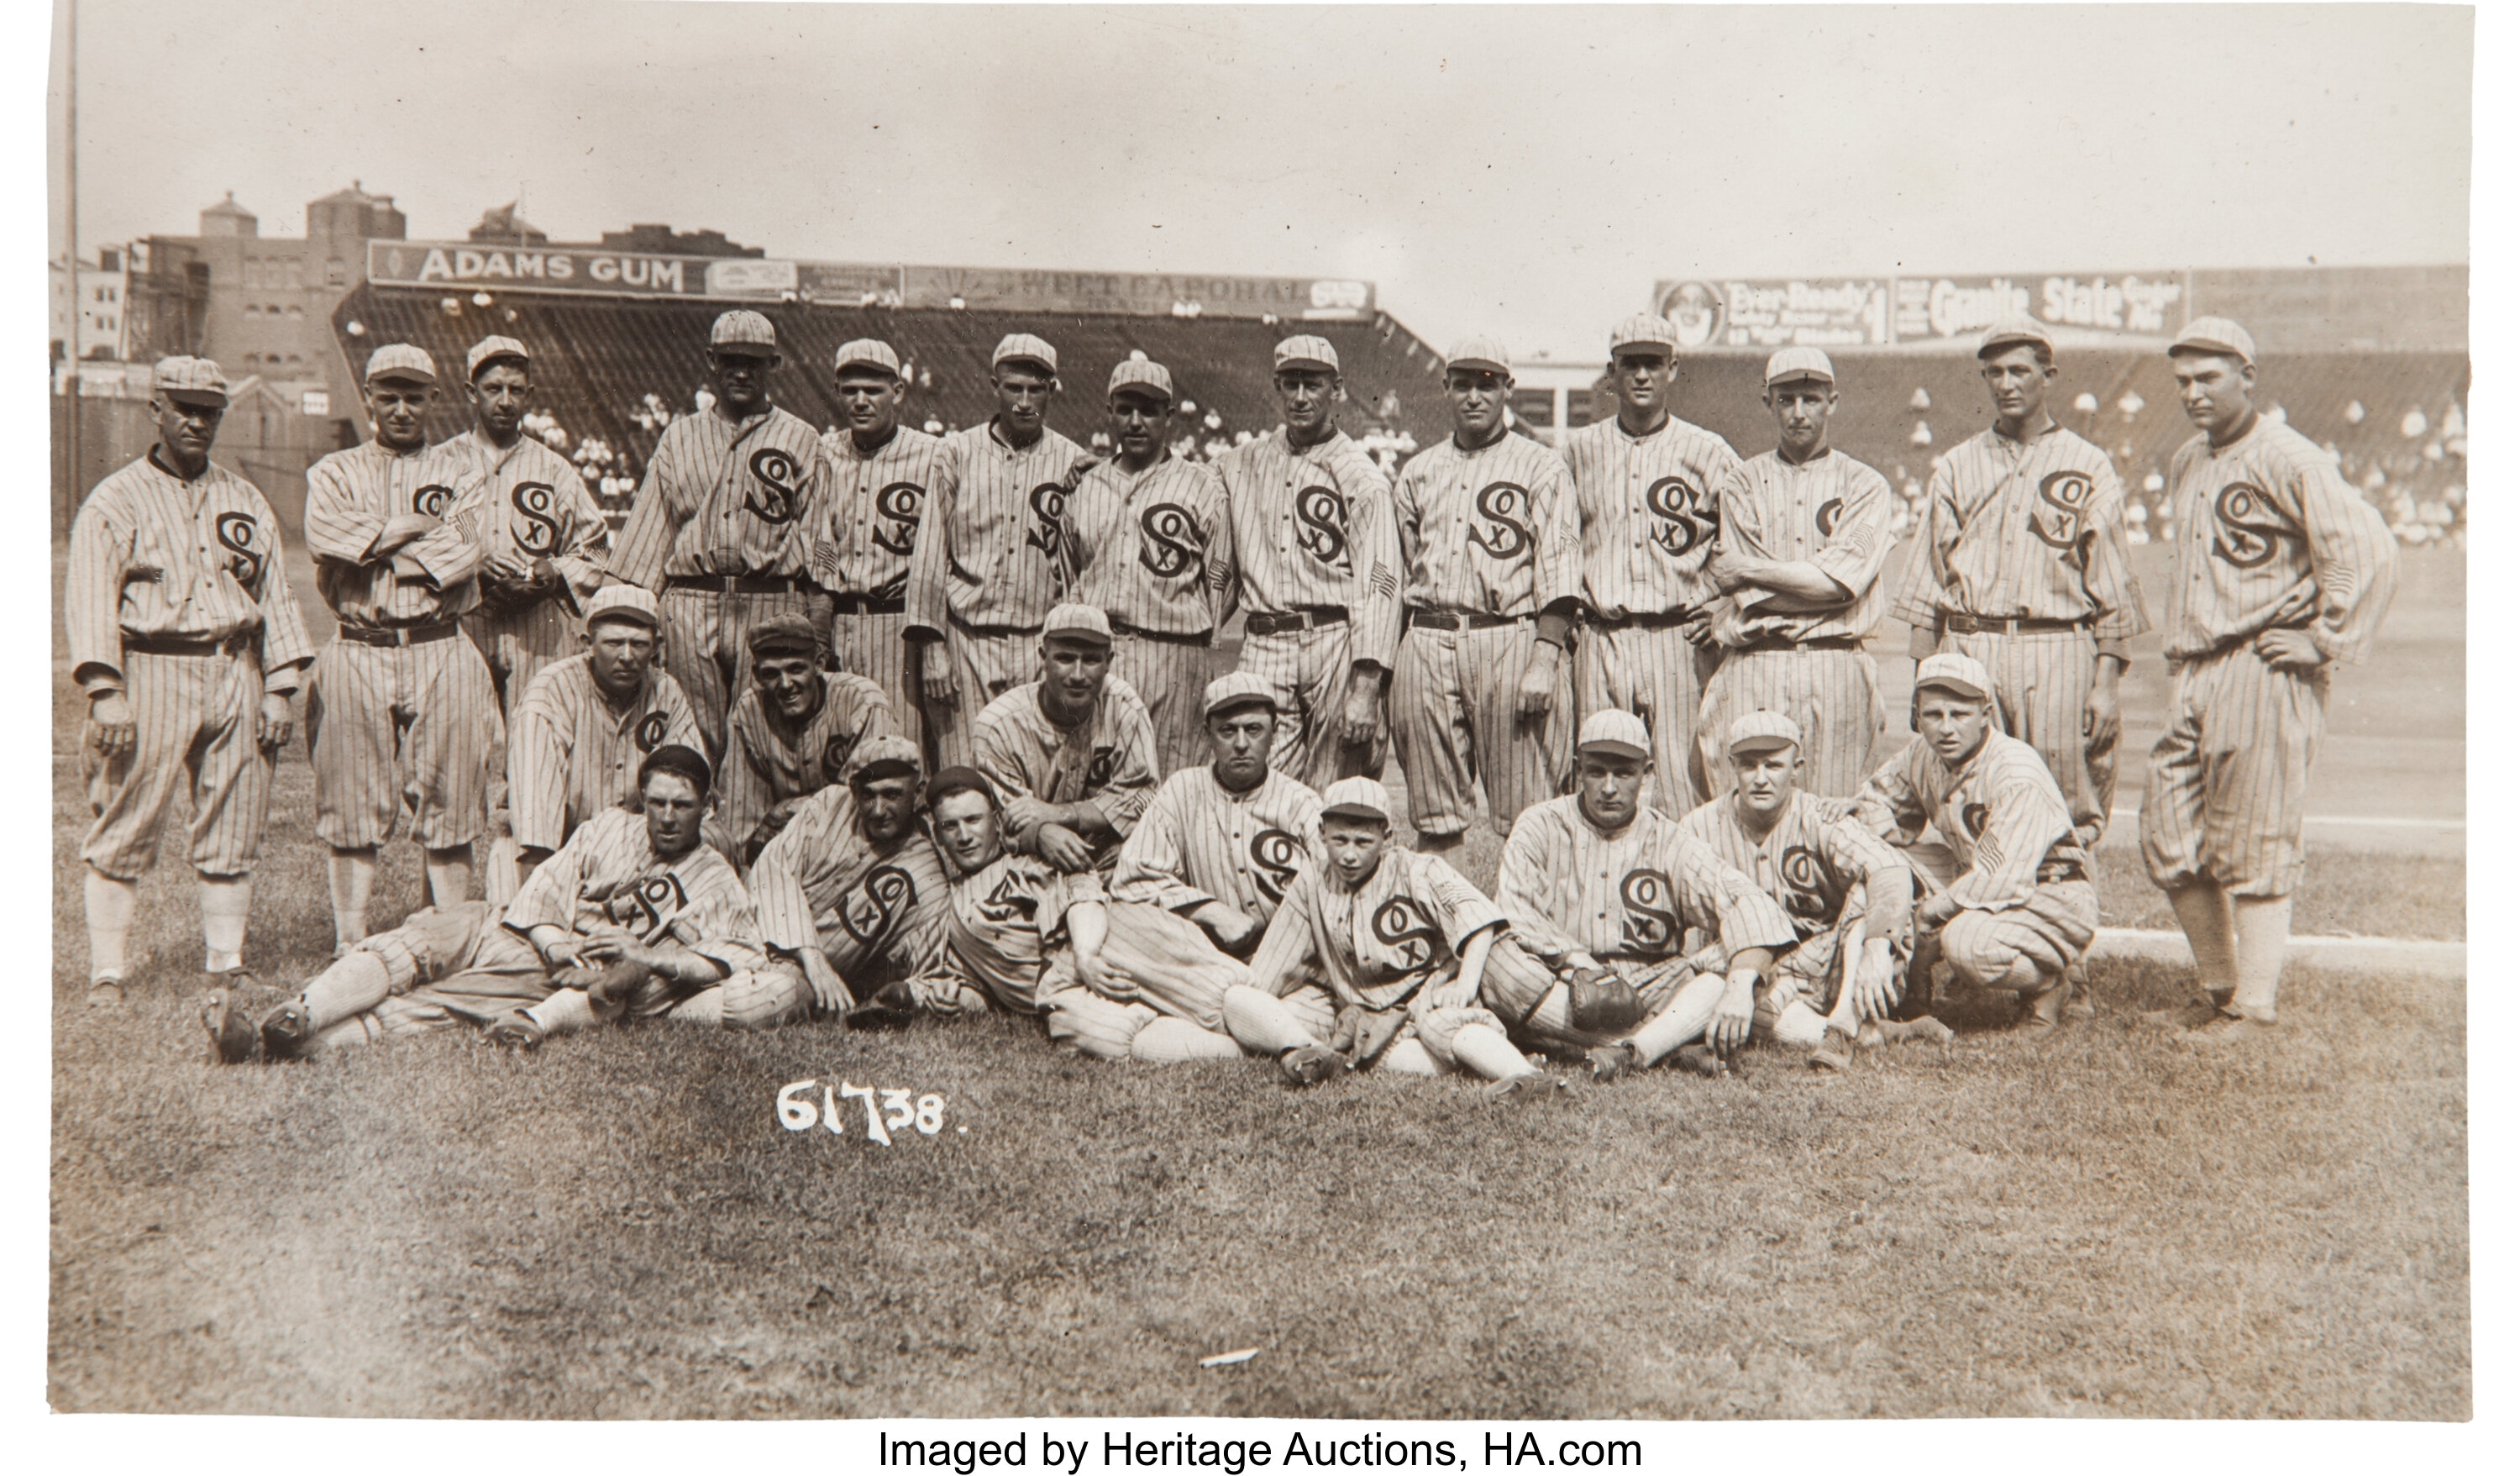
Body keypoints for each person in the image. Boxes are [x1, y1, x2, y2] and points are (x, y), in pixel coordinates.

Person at [2137, 318, 2398, 1045]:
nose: (2192, 392)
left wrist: (2323, 638)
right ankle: (2218, 989)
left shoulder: (2290, 456)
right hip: (2194, 665)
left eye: (2209, 378)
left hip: (2260, 662)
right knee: (2168, 833)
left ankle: (2252, 1005)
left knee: (2252, 839)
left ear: (2247, 375)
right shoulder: (2192, 456)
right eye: (2183, 380)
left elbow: (2365, 547)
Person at [204, 746, 760, 1060]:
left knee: (430, 1009)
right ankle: (305, 1008)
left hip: (555, 982)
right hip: (514, 929)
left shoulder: (717, 879)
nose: (666, 816)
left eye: (682, 805)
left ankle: (268, 1041)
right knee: (412, 945)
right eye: (657, 802)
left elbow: (733, 955)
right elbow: (544, 888)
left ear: (707, 808)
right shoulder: (610, 826)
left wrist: (651, 954)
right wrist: (555, 939)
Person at [68, 355, 316, 1007]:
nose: (197, 419)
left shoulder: (243, 497)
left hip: (235, 664)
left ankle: (226, 962)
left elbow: (276, 596)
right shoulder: (116, 498)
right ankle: (108, 973)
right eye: (183, 406)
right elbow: (90, 596)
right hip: (150, 665)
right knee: (126, 816)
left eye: (208, 408)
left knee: (235, 819)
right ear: (156, 409)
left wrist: (281, 685)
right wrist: (105, 688)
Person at [1890, 314, 2148, 850]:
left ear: (2048, 375)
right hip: (1970, 647)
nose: (2006, 384)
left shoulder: (2088, 464)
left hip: (2057, 649)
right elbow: (1924, 589)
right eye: (1995, 373)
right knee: (1971, 804)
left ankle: (2062, 923)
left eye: (2019, 371)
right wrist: (1921, 685)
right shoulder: (1958, 465)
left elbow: (2114, 590)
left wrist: (2105, 685)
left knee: (2066, 808)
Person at [301, 344, 496, 952]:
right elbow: (325, 537)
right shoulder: (333, 471)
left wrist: (375, 542)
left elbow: (464, 551)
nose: (402, 408)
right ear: (369, 399)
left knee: (453, 800)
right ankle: (349, 940)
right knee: (351, 801)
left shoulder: (465, 470)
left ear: (434, 400)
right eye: (389, 396)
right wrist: (414, 527)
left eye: (415, 396)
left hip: (442, 643)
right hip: (358, 643)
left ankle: (448, 941)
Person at [1491, 712, 1798, 1081]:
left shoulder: (1670, 839)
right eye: (1596, 772)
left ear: (1647, 773)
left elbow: (1751, 904)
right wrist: (1579, 963)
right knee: (1498, 959)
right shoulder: (1539, 825)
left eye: (1623, 774)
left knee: (1728, 963)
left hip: (1649, 987)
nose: (1608, 787)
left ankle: (1627, 1050)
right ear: (1578, 769)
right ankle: (1664, 1045)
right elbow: (1515, 911)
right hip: (1561, 983)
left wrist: (1738, 984)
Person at [1214, 776, 1561, 1098]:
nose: (1350, 854)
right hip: (1355, 1007)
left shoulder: (1417, 868)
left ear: (1388, 837)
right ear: (1321, 833)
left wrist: (1464, 986)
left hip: (1423, 996)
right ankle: (1316, 1055)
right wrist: (1257, 1006)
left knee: (1443, 1024)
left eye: (1364, 841)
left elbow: (1479, 918)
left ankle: (1523, 1075)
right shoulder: (1311, 882)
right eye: (1339, 840)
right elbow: (1272, 967)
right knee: (1243, 998)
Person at [605, 310, 832, 764]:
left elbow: (819, 540)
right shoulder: (679, 437)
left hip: (771, 600)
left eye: (754, 360)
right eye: (730, 360)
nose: (742, 371)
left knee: (767, 735)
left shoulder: (802, 438)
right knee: (693, 733)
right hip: (691, 600)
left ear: (774, 364)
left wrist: (819, 626)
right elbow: (646, 544)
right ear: (712, 360)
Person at [898, 768, 1247, 1064]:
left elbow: (1082, 887)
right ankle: (1240, 1052)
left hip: (1100, 946)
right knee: (1102, 1031)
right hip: (1060, 994)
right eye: (950, 826)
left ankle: (1277, 1035)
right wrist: (947, 996)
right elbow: (980, 988)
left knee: (1209, 989)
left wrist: (1086, 955)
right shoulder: (951, 905)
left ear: (997, 820)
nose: (964, 836)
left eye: (973, 820)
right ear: (938, 833)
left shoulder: (1030, 860)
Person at [1389, 336, 1583, 847]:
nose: (1475, 396)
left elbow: (1560, 568)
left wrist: (1545, 658)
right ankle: (1451, 927)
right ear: (1447, 388)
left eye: (1487, 384)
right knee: (1433, 818)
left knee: (1528, 821)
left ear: (1507, 390)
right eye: (1464, 384)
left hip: (1509, 641)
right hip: (1428, 639)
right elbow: (1405, 567)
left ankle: (1526, 928)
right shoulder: (1419, 471)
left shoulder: (1541, 466)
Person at [1678, 711, 1944, 1070]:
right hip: (1755, 966)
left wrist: (1878, 948)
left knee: (1869, 889)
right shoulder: (1698, 826)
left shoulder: (1819, 816)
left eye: (1773, 765)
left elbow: (1891, 870)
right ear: (1731, 765)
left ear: (1796, 767)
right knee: (1721, 998)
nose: (1760, 779)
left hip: (1833, 964)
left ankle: (1846, 1020)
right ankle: (1864, 1033)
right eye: (1748, 765)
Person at [1851, 654, 2097, 1037]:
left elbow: (2000, 878)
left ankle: (2051, 985)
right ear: (1917, 716)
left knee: (1965, 944)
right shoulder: (1922, 754)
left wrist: (1929, 912)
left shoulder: (2015, 771)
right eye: (1934, 715)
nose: (1946, 728)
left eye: (1960, 713)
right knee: (1887, 871)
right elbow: (1874, 802)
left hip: (2049, 892)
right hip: (1978, 878)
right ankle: (1912, 993)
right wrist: (1885, 834)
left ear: (1986, 714)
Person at [1562, 313, 1745, 812]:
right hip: (1601, 637)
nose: (1642, 375)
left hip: (1678, 640)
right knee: (1600, 784)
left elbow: (1748, 543)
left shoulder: (1709, 451)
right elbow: (1557, 545)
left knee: (1688, 788)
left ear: (1673, 369)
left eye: (1653, 364)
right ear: (1611, 372)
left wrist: (1725, 602)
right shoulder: (1578, 451)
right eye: (1631, 364)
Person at [1695, 347, 1892, 798]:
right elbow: (1756, 599)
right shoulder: (1741, 482)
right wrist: (1814, 588)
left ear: (1833, 401)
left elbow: (1840, 585)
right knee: (1742, 807)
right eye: (1786, 400)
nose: (1799, 413)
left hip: (1836, 663)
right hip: (1756, 661)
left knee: (1835, 809)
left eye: (1811, 399)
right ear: (1769, 403)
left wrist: (1746, 568)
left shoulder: (1865, 484)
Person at [1213, 336, 1403, 790]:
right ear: (1277, 386)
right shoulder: (1237, 465)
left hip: (1334, 642)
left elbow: (1381, 584)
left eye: (1312, 385)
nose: (1300, 397)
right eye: (1291, 384)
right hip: (1264, 643)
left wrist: (1366, 685)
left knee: (1336, 789)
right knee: (1257, 788)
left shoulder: (1362, 477)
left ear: (1336, 390)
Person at [906, 334, 1093, 767]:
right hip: (967, 639)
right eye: (1014, 388)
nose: (1025, 401)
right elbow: (930, 555)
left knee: (1033, 771)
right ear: (995, 386)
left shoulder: (1072, 460)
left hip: (1037, 643)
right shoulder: (955, 453)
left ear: (1052, 390)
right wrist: (932, 647)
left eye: (1036, 389)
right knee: (962, 771)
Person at [1059, 358, 1235, 775]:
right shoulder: (1085, 486)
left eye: (1149, 410)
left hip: (1176, 655)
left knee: (1173, 780)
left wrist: (1199, 637)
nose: (1136, 422)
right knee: (1098, 777)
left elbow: (1222, 575)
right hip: (1102, 655)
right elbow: (1070, 576)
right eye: (1125, 409)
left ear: (1169, 416)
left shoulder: (1202, 485)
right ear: (1110, 412)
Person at [717, 735, 951, 1029]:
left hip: (793, 974)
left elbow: (927, 957)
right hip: (749, 928)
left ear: (917, 793)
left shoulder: (925, 871)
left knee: (760, 1004)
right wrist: (813, 958)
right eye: (868, 795)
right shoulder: (828, 804)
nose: (878, 810)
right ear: (853, 790)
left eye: (892, 795)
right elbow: (771, 868)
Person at [444, 334, 610, 717]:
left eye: (515, 390)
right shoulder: (441, 461)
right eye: (493, 389)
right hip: (465, 617)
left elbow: (596, 547)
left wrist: (555, 571)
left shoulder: (554, 467)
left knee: (537, 739)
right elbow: (420, 545)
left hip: (538, 624)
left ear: (529, 394)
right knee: (464, 746)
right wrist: (471, 566)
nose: (505, 401)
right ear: (472, 392)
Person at [1106, 673, 1325, 959]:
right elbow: (1132, 880)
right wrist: (1211, 911)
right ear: (1208, 735)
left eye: (1254, 729)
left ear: (1275, 732)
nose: (1242, 744)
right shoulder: (1182, 790)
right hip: (1209, 956)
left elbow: (1337, 892)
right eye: (1228, 730)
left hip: (1293, 955)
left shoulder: (1302, 803)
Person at [506, 586, 705, 885]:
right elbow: (536, 831)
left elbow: (692, 792)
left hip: (637, 851)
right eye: (614, 643)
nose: (627, 656)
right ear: (587, 642)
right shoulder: (551, 691)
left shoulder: (666, 691)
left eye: (638, 644)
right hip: (555, 850)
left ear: (657, 646)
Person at [816, 339, 945, 760]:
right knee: (837, 748)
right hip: (836, 623)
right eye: (850, 390)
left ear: (899, 392)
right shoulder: (821, 453)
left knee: (901, 750)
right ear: (837, 393)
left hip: (899, 629)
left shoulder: (933, 455)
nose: (860, 401)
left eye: (873, 390)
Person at [968, 603, 1160, 875]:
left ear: (1109, 662)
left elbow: (1144, 797)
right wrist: (1042, 833)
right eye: (1065, 658)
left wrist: (1058, 814)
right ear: (1043, 657)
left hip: (1108, 856)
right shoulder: (998, 723)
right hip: (1028, 860)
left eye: (1091, 659)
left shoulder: (1125, 707)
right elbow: (1006, 818)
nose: (1078, 675)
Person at [717, 613, 898, 865]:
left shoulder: (861, 700)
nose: (785, 684)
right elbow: (741, 820)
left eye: (796, 669)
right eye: (771, 673)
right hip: (786, 853)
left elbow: (877, 801)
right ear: (757, 675)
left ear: (819, 664)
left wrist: (794, 809)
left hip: (863, 848)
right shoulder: (750, 710)